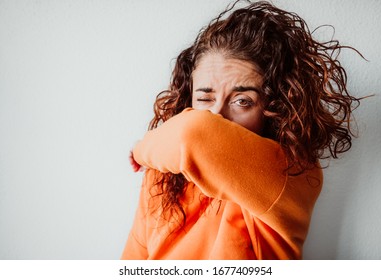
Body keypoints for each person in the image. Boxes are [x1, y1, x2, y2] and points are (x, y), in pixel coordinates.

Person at [121, 0, 362, 259]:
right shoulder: (162, 176)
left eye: (242, 101)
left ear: (275, 105)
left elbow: (193, 133)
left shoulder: (293, 172)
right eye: (204, 99)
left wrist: (140, 149)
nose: (217, 116)